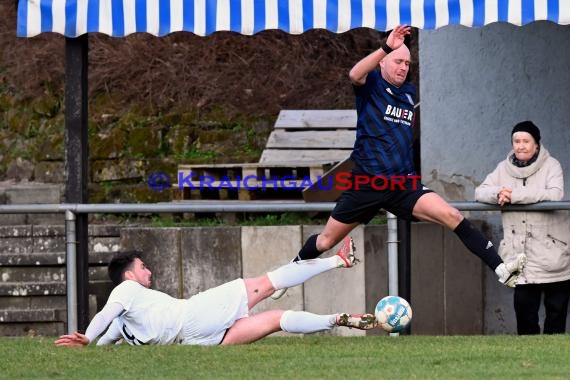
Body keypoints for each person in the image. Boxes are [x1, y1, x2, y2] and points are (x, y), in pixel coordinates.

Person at [272, 25, 527, 301]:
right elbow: (354, 74)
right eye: (398, 61)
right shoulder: (371, 86)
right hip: (367, 183)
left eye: (407, 63)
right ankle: (288, 272)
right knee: (325, 241)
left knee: (453, 216)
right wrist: (385, 46)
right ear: (383, 61)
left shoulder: (408, 93)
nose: (403, 67)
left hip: (403, 185)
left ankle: (501, 268)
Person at [55, 247, 377, 347]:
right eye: (143, 267)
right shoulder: (126, 289)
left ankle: (337, 319)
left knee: (277, 320)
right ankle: (338, 261)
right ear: (129, 275)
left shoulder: (126, 324)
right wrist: (86, 336)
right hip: (195, 314)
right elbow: (104, 316)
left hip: (197, 343)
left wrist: (88, 344)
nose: (148, 272)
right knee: (266, 283)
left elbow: (105, 337)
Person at [475, 121, 570, 335]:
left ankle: (552, 360)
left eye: (526, 141)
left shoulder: (551, 165)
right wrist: (499, 192)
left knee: (556, 314)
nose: (521, 146)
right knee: (525, 314)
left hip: (553, 253)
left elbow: (555, 194)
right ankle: (528, 360)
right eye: (516, 141)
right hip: (520, 257)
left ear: (536, 144)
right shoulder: (503, 168)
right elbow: (480, 192)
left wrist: (514, 196)